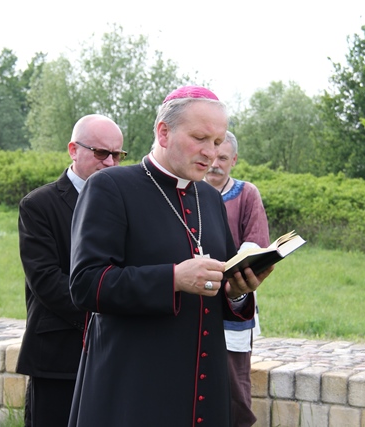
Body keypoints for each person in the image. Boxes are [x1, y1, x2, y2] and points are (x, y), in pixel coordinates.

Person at [67, 86, 274, 427]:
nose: (211, 153)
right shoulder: (110, 187)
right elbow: (86, 284)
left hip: (204, 384)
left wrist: (237, 290)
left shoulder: (209, 198)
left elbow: (216, 286)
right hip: (133, 385)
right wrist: (174, 278)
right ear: (163, 132)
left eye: (218, 142)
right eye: (200, 138)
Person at [16, 114, 125, 427]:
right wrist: (104, 308)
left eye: (117, 154)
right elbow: (45, 280)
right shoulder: (38, 205)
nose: (110, 162)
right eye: (101, 152)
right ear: (73, 150)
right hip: (59, 352)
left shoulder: (124, 203)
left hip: (114, 350)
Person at [205, 131, 270, 427]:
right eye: (212, 156)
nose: (215, 164)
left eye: (223, 158)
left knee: (234, 388)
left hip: (234, 298)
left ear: (234, 160)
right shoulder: (189, 192)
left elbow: (255, 245)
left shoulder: (246, 194)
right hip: (193, 299)